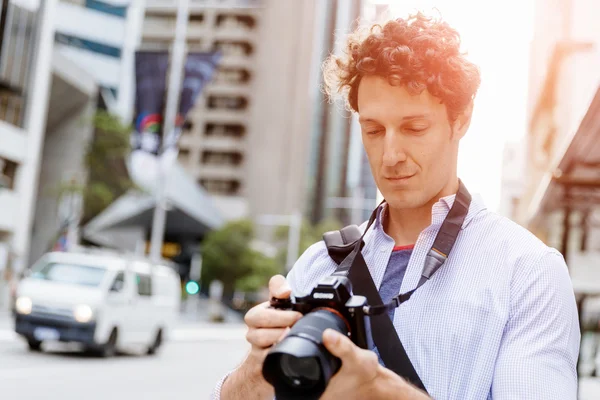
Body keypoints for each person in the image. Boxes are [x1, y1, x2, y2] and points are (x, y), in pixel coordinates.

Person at [212, 11, 580, 400]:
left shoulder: (527, 272)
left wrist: (378, 390)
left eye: (414, 128)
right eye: (373, 130)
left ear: (461, 120)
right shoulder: (317, 265)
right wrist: (255, 370)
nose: (390, 155)